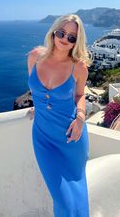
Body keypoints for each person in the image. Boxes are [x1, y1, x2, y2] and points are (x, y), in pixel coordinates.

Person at [27, 14, 93, 216]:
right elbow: (35, 89)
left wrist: (80, 118)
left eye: (72, 37)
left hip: (71, 136)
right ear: (54, 32)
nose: (65, 39)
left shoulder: (79, 67)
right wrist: (38, 106)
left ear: (76, 42)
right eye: (62, 33)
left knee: (77, 195)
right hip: (43, 137)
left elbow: (80, 94)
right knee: (63, 200)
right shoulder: (34, 57)